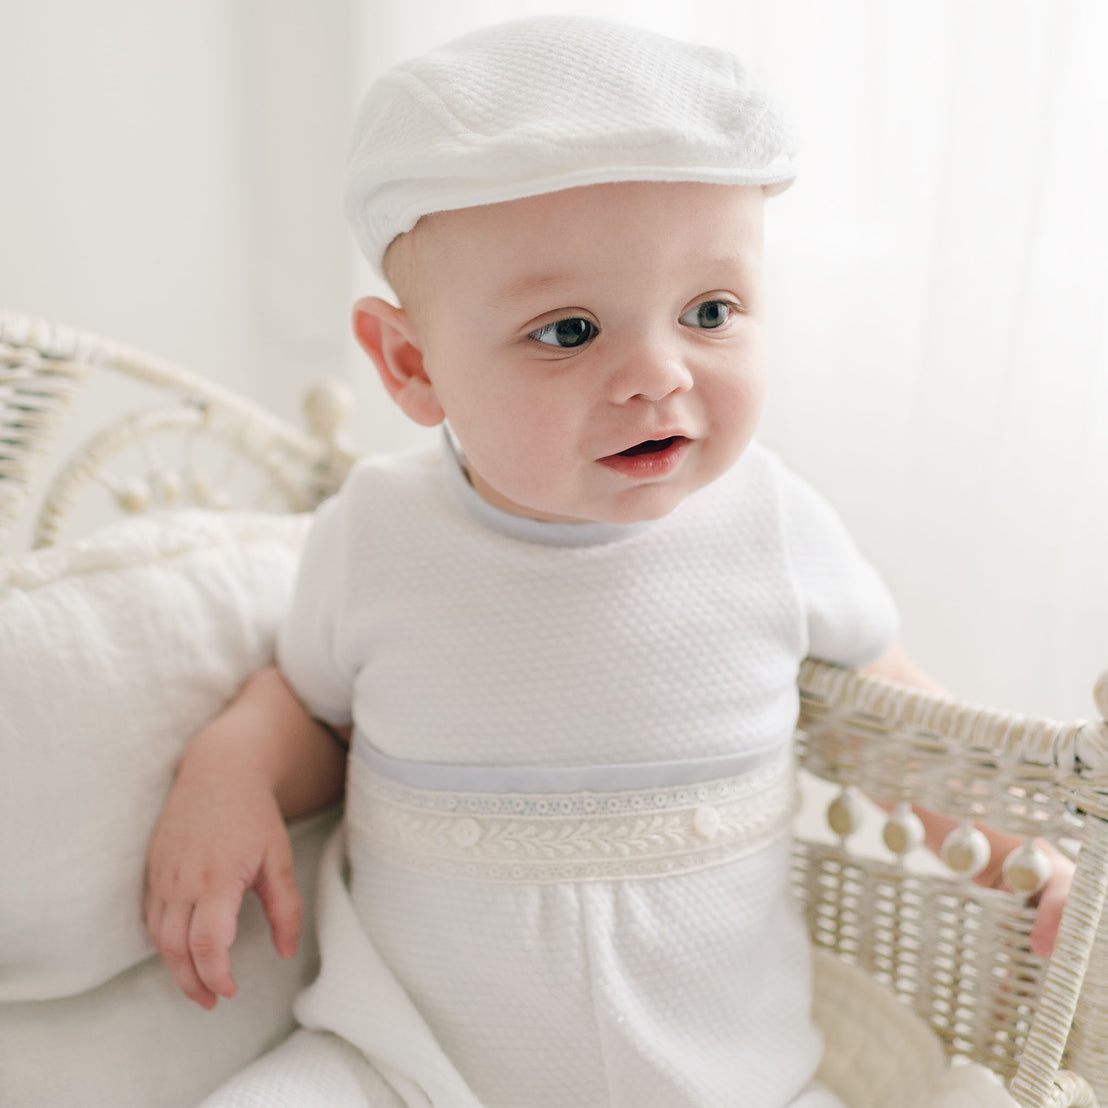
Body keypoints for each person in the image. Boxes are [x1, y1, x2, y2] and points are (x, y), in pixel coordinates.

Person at [144, 16, 1071, 1108]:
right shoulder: (380, 533)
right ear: (410, 363)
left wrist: (1028, 858)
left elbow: (898, 720)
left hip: (732, 1080)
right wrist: (230, 769)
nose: (658, 373)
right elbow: (313, 711)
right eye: (570, 330)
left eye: (710, 311)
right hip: (408, 1067)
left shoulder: (768, 520)